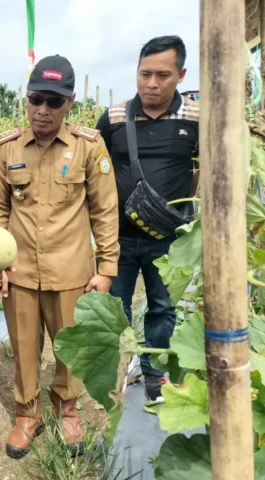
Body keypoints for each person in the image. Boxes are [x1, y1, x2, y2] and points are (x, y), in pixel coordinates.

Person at [0, 54, 120, 459]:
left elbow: (105, 211)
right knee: (24, 347)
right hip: (20, 271)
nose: (42, 110)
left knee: (71, 348)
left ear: (70, 102)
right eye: (35, 99)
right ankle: (28, 414)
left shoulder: (87, 147)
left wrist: (107, 269)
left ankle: (68, 408)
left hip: (71, 271)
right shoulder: (5, 149)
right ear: (26, 99)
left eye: (53, 101)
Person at [95, 35, 199, 402]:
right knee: (114, 307)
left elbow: (201, 169)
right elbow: (98, 168)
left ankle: (155, 375)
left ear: (181, 75)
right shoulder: (114, 117)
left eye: (162, 75)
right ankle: (114, 374)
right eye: (145, 74)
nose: (152, 84)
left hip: (169, 237)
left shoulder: (196, 117)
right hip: (117, 237)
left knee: (162, 307)